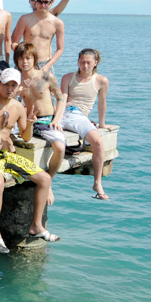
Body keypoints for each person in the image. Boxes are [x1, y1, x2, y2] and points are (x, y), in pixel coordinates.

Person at [0, 68, 59, 247]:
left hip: (6, 155)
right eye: (6, 84)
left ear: (18, 88)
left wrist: (31, 124)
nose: (9, 88)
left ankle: (36, 226)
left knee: (44, 178)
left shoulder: (18, 107)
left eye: (13, 85)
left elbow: (26, 137)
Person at [14, 43, 66, 205]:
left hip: (47, 121)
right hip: (29, 122)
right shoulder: (16, 81)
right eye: (21, 58)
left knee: (60, 148)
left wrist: (57, 120)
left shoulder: (46, 77)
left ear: (34, 59)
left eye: (28, 58)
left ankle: (48, 182)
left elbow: (61, 99)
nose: (24, 62)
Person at [60, 49, 113, 200]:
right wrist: (56, 119)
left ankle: (97, 183)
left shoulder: (101, 81)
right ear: (78, 61)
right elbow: (62, 99)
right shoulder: (68, 77)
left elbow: (102, 103)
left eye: (89, 62)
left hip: (78, 115)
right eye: (82, 62)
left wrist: (102, 124)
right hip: (63, 112)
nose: (85, 65)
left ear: (95, 63)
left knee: (97, 142)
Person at [11, 0, 64, 74]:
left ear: (52, 2)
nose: (43, 5)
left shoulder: (58, 23)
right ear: (36, 1)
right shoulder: (25, 19)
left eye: (46, 2)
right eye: (40, 1)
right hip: (26, 63)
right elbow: (14, 43)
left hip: (45, 64)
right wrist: (24, 59)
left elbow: (60, 49)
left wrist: (48, 66)